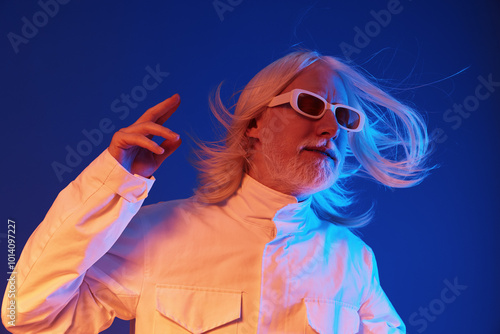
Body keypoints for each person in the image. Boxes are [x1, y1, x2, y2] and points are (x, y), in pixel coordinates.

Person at [2, 50, 430, 333]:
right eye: (312, 105)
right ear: (255, 125)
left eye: (344, 116)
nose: (331, 127)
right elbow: (25, 312)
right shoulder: (158, 233)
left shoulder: (353, 260)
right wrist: (113, 184)